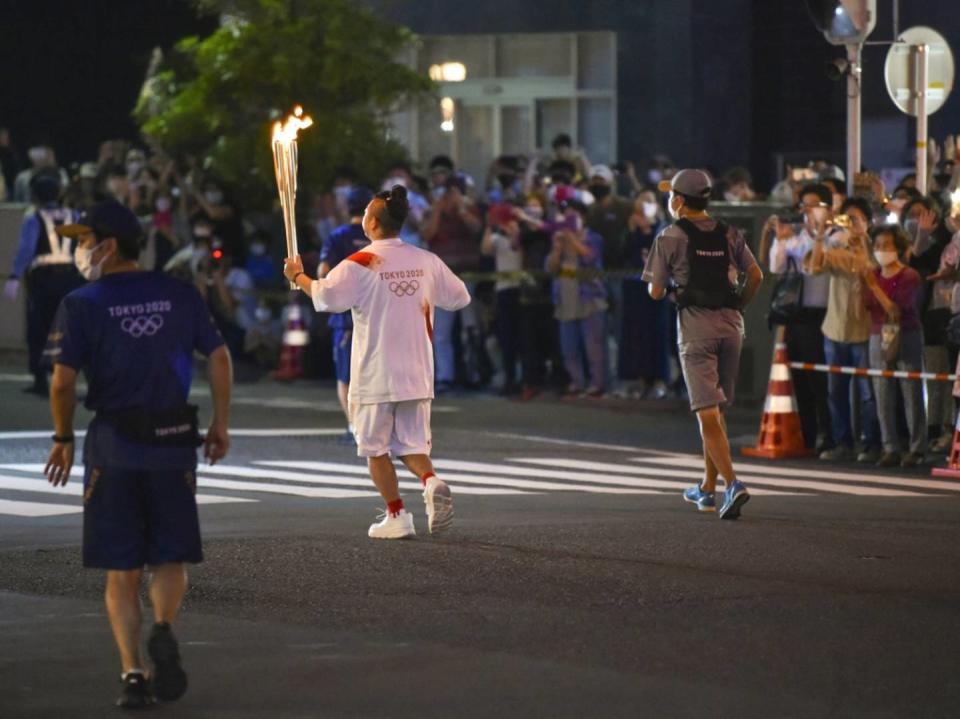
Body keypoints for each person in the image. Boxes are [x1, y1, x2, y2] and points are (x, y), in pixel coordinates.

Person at [42, 200, 232, 708]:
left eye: (84, 241)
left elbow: (62, 383)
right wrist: (220, 423)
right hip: (173, 442)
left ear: (107, 245)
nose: (80, 249)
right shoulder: (179, 293)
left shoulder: (83, 302)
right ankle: (164, 627)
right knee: (169, 556)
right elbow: (217, 355)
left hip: (116, 447)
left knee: (121, 570)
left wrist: (62, 438)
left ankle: (132, 673)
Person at [283, 185, 470, 539]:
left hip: (375, 373)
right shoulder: (424, 259)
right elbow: (460, 297)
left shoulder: (361, 262)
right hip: (417, 371)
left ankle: (397, 515)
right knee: (411, 444)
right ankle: (431, 481)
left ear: (370, 222)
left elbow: (324, 298)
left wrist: (297, 276)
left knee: (375, 447)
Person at [643, 169, 763, 520]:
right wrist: (739, 304)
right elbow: (755, 275)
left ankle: (733, 483)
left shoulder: (669, 236)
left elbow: (654, 291)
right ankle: (707, 490)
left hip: (696, 328)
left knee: (706, 411)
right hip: (732, 326)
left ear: (678, 200)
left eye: (671, 196)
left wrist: (670, 286)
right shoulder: (730, 232)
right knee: (717, 411)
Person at [809, 191, 882, 462]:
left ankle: (872, 443)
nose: (850, 224)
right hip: (835, 329)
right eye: (847, 219)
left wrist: (861, 238)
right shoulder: (837, 247)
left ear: (868, 222)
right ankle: (843, 442)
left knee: (868, 393)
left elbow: (868, 268)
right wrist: (820, 235)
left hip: (863, 331)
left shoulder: (877, 247)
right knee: (836, 392)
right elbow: (815, 267)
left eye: (856, 219)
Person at [5, 170, 84, 395]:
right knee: (69, 331)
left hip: (43, 281)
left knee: (39, 330)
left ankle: (41, 380)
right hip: (71, 280)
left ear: (36, 195)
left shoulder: (35, 217)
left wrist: (14, 276)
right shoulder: (74, 214)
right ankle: (67, 380)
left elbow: (26, 250)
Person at [861, 225, 927, 467]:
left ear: (898, 248)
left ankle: (917, 447)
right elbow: (867, 305)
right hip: (878, 335)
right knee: (882, 392)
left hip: (906, 334)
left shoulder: (909, 276)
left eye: (886, 245)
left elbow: (896, 309)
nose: (881, 251)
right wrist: (867, 284)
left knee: (911, 390)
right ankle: (890, 447)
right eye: (877, 246)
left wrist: (874, 286)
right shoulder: (874, 275)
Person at [319, 186, 373, 436]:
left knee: (345, 376)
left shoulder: (337, 236)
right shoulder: (379, 238)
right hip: (376, 315)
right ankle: (375, 427)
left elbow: (323, 272)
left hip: (345, 317)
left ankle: (355, 427)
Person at [547, 202, 608, 396]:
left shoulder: (593, 237)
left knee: (594, 346)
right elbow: (550, 268)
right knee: (569, 347)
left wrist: (572, 238)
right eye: (567, 217)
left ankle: (597, 384)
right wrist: (557, 248)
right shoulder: (559, 239)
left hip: (589, 298)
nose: (569, 221)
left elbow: (591, 257)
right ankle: (577, 381)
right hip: (565, 299)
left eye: (573, 217)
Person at [481, 205, 523, 394]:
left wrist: (513, 231)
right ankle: (509, 378)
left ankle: (522, 378)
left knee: (520, 336)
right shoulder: (497, 239)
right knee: (505, 337)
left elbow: (517, 245)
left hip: (520, 290)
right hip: (503, 290)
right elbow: (486, 249)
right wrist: (490, 227)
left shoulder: (520, 236)